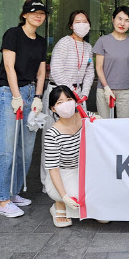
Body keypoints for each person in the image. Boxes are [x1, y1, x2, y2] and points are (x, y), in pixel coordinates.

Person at [0, 0, 47, 218]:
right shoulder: (13, 34)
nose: (38, 16)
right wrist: (16, 96)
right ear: (24, 15)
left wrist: (38, 97)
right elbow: (9, 66)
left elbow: (41, 72)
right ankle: (2, 200)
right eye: (34, 12)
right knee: (6, 149)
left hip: (31, 93)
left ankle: (13, 192)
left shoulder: (41, 41)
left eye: (42, 13)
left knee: (25, 150)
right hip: (8, 93)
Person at [40, 10, 94, 191]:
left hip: (78, 96)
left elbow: (89, 72)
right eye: (78, 21)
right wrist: (71, 93)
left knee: (76, 137)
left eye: (85, 21)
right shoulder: (64, 43)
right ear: (71, 25)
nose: (82, 24)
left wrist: (84, 93)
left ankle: (73, 180)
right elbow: (56, 70)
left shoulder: (88, 47)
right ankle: (48, 183)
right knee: (52, 137)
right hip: (59, 95)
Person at [43, 85, 83, 227]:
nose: (66, 104)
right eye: (60, 102)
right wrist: (64, 196)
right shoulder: (52, 134)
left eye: (69, 99)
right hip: (63, 173)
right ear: (53, 109)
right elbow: (53, 169)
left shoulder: (85, 117)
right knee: (77, 197)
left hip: (86, 169)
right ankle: (59, 204)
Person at [93, 6, 129, 119]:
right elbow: (99, 67)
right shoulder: (103, 41)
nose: (122, 23)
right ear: (113, 19)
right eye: (120, 18)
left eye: (127, 20)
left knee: (123, 125)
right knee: (104, 124)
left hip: (126, 91)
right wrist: (106, 87)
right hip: (104, 90)